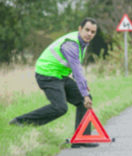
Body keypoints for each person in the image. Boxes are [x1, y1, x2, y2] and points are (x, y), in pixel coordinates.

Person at [9, 17, 99, 148]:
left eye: (93, 32)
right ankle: (20, 122)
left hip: (60, 75)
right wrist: (83, 91)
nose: (90, 34)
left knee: (84, 100)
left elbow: (75, 69)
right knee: (60, 107)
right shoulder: (72, 45)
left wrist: (83, 88)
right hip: (47, 74)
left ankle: (82, 138)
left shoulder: (83, 44)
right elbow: (77, 70)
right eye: (87, 30)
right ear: (80, 29)